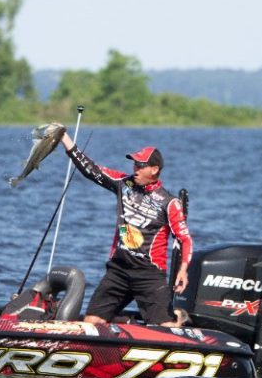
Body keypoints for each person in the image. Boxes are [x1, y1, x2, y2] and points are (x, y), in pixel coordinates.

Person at [59, 132, 193, 327]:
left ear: (154, 169)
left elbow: (185, 239)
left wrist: (183, 270)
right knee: (92, 322)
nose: (135, 169)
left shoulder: (169, 202)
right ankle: (127, 325)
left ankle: (178, 320)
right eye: (134, 164)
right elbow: (91, 169)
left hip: (149, 273)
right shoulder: (125, 184)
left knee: (164, 329)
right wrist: (65, 139)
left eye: (140, 165)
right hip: (119, 270)